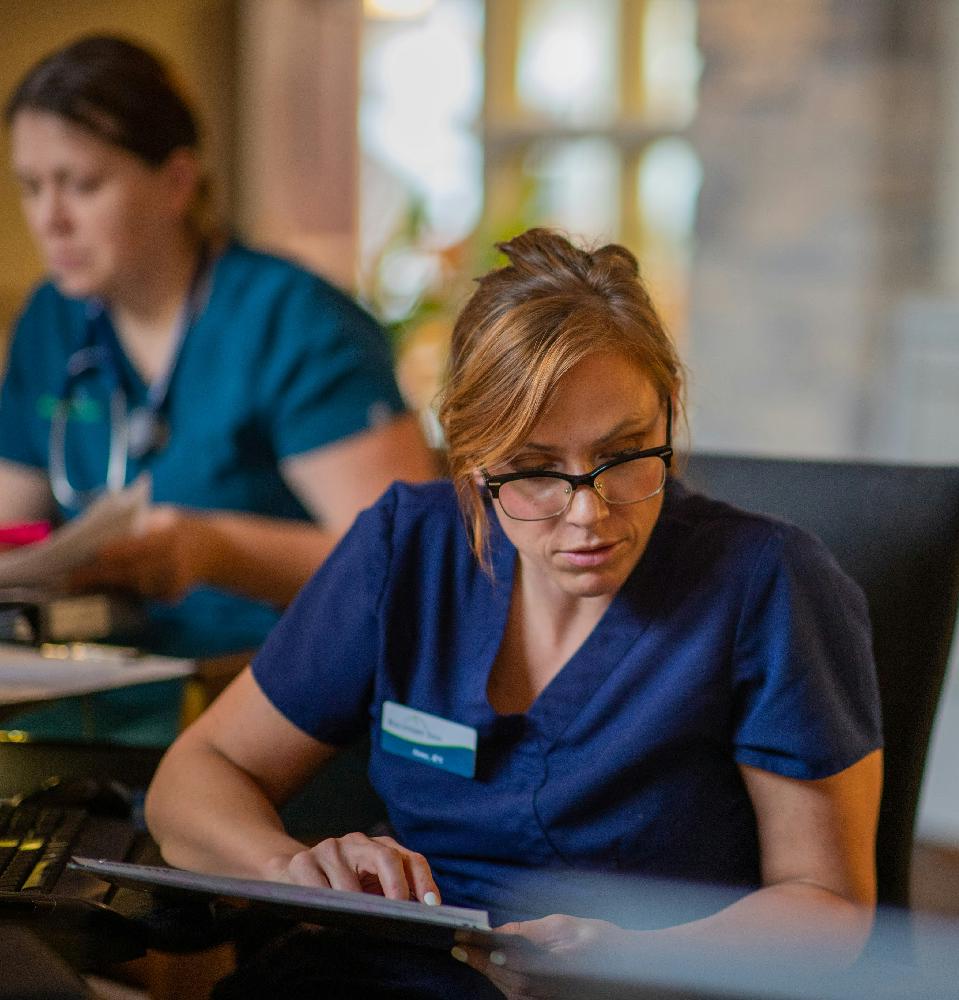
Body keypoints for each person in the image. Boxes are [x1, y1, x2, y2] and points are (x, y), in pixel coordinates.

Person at [144, 228, 884, 998]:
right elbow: (195, 777)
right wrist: (291, 869)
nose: (588, 514)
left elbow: (828, 907)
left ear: (669, 413)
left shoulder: (769, 586)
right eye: (534, 471)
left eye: (626, 451)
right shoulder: (408, 547)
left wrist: (629, 955)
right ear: (470, 459)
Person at [0, 36, 437, 743]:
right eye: (30, 186)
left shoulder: (293, 322)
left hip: (278, 711)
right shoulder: (53, 322)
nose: (50, 219)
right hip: (87, 698)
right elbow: (13, 533)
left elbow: (411, 565)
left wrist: (212, 549)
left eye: (81, 185)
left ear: (176, 183)